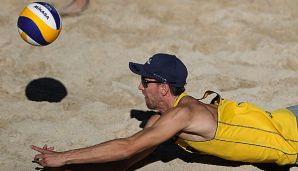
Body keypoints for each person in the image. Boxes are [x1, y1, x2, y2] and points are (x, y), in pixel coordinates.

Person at [31, 53, 298, 170]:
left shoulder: (184, 114)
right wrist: (69, 166)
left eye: (145, 82)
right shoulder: (164, 120)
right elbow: (126, 160)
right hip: (286, 117)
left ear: (163, 88)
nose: (140, 87)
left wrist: (66, 157)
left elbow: (126, 146)